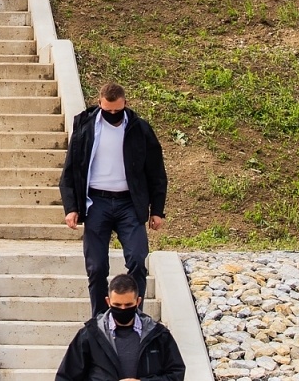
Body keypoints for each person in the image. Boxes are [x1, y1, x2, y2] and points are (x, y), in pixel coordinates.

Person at [60, 83, 169, 318]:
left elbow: (157, 172)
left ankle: (135, 316)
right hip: (96, 202)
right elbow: (70, 170)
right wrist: (71, 207)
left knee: (138, 260)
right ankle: (100, 320)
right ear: (99, 103)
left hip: (129, 203)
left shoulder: (140, 129)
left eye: (117, 111)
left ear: (125, 104)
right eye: (107, 111)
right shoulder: (86, 127)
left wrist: (157, 210)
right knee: (97, 267)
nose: (112, 115)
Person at [54, 275, 186, 381]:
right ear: (108, 302)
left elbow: (176, 374)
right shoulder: (89, 335)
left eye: (128, 305)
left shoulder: (158, 335)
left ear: (138, 302)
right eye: (117, 304)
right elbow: (66, 377)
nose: (123, 309)